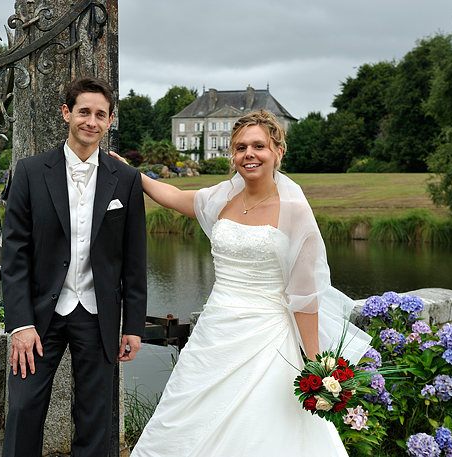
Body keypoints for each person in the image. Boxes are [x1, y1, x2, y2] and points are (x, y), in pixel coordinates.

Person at [111, 109, 371, 456]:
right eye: (240, 147)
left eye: (259, 146)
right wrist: (132, 175)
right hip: (216, 332)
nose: (249, 154)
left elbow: (305, 297)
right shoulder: (223, 198)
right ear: (232, 155)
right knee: (187, 420)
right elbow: (173, 196)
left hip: (268, 339)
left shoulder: (294, 210)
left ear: (278, 152)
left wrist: (316, 365)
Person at [1, 76, 147, 457]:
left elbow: (133, 258)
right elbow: (13, 254)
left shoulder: (127, 180)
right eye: (84, 111)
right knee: (23, 409)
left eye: (101, 114)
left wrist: (132, 325)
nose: (92, 121)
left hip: (97, 315)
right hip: (38, 316)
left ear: (110, 120)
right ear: (67, 113)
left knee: (95, 417)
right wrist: (19, 323)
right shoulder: (30, 172)